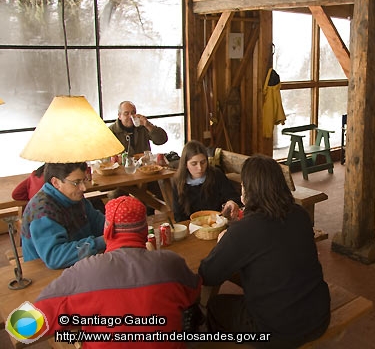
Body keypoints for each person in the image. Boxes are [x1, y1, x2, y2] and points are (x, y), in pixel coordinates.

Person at [34, 196, 202, 349]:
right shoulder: (172, 263)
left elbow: (23, 326)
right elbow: (193, 292)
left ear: (107, 231)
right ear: (145, 232)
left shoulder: (83, 272)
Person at [199, 155, 330, 348]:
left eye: (243, 185)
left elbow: (208, 274)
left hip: (276, 332)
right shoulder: (300, 214)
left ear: (248, 190)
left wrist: (223, 242)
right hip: (318, 318)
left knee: (216, 306)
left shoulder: (244, 231)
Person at [20, 162, 106, 269]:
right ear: (56, 182)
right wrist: (100, 242)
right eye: (76, 182)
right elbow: (55, 257)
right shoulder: (42, 211)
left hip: (77, 262)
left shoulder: (75, 198)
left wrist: (120, 226)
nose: (84, 188)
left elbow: (99, 223)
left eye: (84, 180)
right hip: (45, 273)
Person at [172, 140, 240, 222]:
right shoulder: (178, 181)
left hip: (217, 223)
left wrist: (231, 202)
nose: (200, 168)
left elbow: (233, 197)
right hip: (191, 226)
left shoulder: (216, 174)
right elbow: (178, 215)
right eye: (194, 164)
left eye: (203, 162)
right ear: (185, 164)